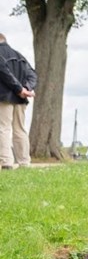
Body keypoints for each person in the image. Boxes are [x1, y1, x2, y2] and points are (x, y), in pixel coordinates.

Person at [0, 33, 37, 170]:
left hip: (4, 97)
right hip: (20, 99)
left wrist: (19, 89)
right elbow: (32, 74)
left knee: (3, 128)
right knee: (20, 129)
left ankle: (6, 162)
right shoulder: (19, 55)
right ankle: (24, 162)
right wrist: (26, 88)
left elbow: (4, 73)